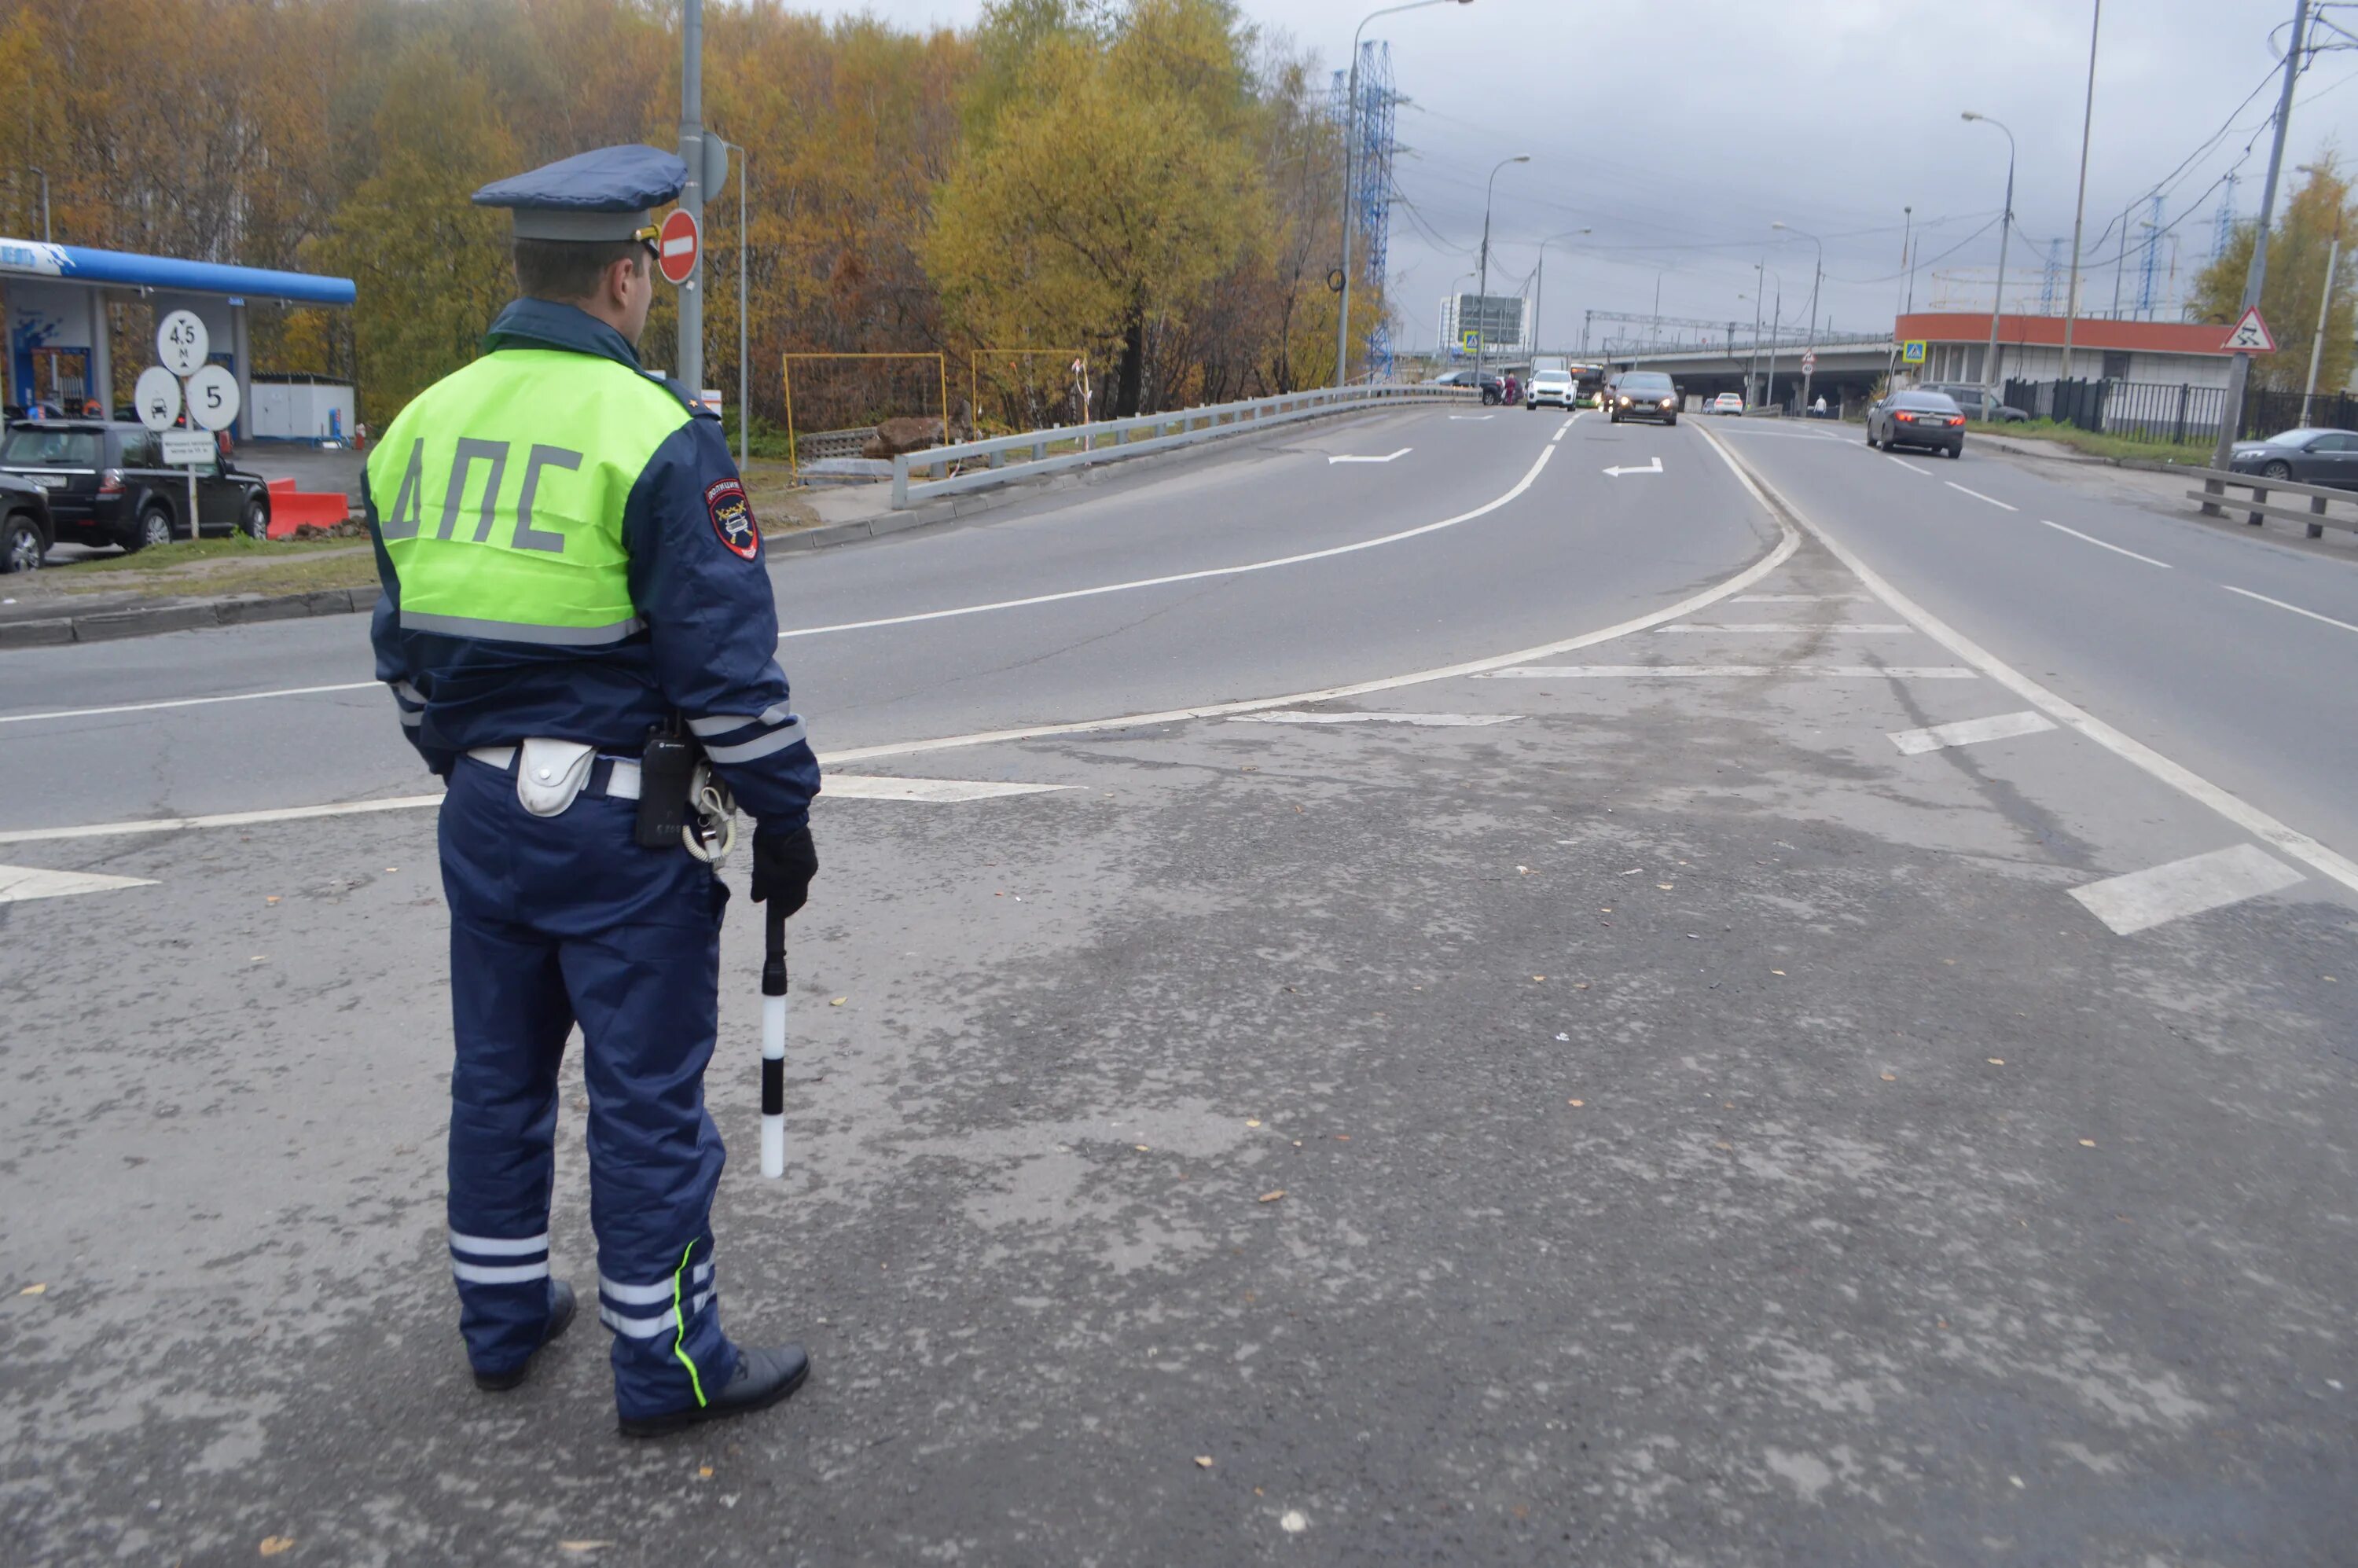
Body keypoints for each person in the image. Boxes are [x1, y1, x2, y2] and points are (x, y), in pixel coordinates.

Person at [364, 144, 822, 1439]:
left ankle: (503, 1325)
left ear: (530, 271)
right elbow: (729, 676)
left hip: (482, 817)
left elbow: (403, 653)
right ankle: (669, 1371)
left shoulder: (419, 426)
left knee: (497, 1080)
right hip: (625, 833)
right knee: (643, 1102)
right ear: (627, 277)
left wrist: (460, 767)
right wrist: (784, 813)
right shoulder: (661, 435)